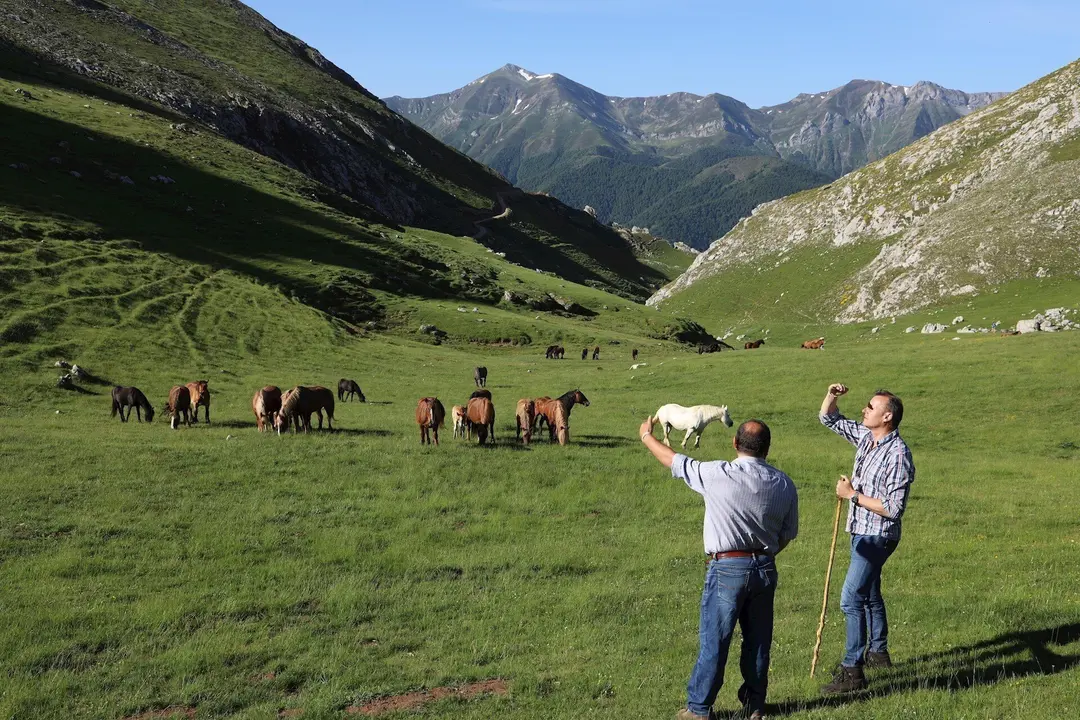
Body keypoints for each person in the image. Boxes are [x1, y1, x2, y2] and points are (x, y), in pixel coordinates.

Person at [639, 415, 799, 720]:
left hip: (727, 567)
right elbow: (787, 534)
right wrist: (764, 553)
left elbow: (673, 460)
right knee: (758, 641)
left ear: (735, 443)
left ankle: (699, 709)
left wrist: (647, 436)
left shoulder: (717, 473)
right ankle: (754, 707)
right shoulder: (784, 483)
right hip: (765, 568)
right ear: (767, 448)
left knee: (715, 639)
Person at [818, 383, 915, 695]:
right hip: (860, 531)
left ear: (887, 416)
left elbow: (893, 508)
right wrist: (832, 396)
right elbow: (829, 419)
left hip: (878, 536)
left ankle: (852, 671)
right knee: (869, 592)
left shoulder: (898, 455)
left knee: (850, 599)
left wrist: (853, 496)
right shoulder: (866, 437)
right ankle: (878, 653)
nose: (864, 410)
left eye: (870, 407)